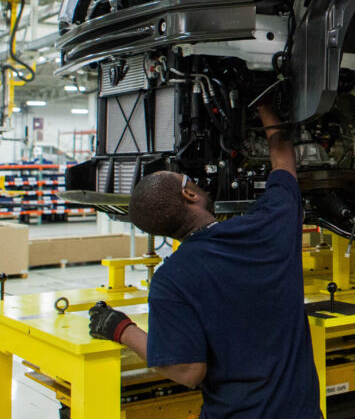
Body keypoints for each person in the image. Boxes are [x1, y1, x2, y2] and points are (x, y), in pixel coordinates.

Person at [87, 103, 321, 419]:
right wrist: (266, 108)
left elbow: (187, 370)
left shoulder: (172, 279)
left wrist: (120, 328)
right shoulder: (269, 228)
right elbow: (283, 161)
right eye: (187, 180)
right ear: (190, 196)